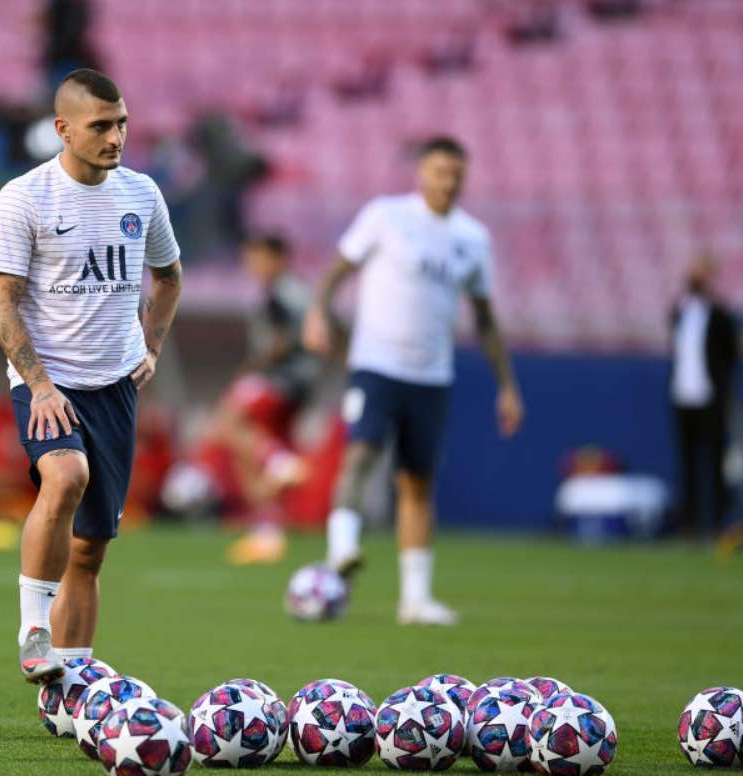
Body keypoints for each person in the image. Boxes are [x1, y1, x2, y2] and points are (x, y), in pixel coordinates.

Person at [0, 68, 182, 683]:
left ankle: (71, 688)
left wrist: (149, 347)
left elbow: (169, 278)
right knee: (65, 476)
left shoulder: (141, 195)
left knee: (91, 550)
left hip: (115, 385)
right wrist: (39, 383)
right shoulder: (24, 198)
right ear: (63, 129)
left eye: (122, 122)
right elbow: (1, 302)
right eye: (101, 125)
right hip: (49, 382)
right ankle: (33, 627)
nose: (116, 135)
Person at [303, 136, 524, 626]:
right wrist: (318, 312)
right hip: (377, 364)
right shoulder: (386, 216)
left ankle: (415, 599)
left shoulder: (473, 238)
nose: (451, 179)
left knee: (418, 482)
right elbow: (338, 270)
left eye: (457, 172)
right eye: (442, 169)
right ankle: (342, 550)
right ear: (422, 172)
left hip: (431, 375)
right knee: (360, 452)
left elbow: (485, 318)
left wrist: (507, 385)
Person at [219, 233, 319, 565]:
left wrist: (251, 368)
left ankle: (280, 460)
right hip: (303, 382)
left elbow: (282, 340)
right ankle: (268, 535)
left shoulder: (280, 293)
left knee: (232, 421)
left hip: (282, 379)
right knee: (262, 457)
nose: (254, 266)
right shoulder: (300, 291)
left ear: (277, 259)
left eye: (259, 258)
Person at [669, 254, 740, 535]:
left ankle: (720, 520)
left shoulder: (720, 316)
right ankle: (690, 521)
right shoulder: (679, 312)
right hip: (682, 395)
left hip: (710, 396)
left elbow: (733, 353)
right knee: (687, 461)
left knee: (716, 460)